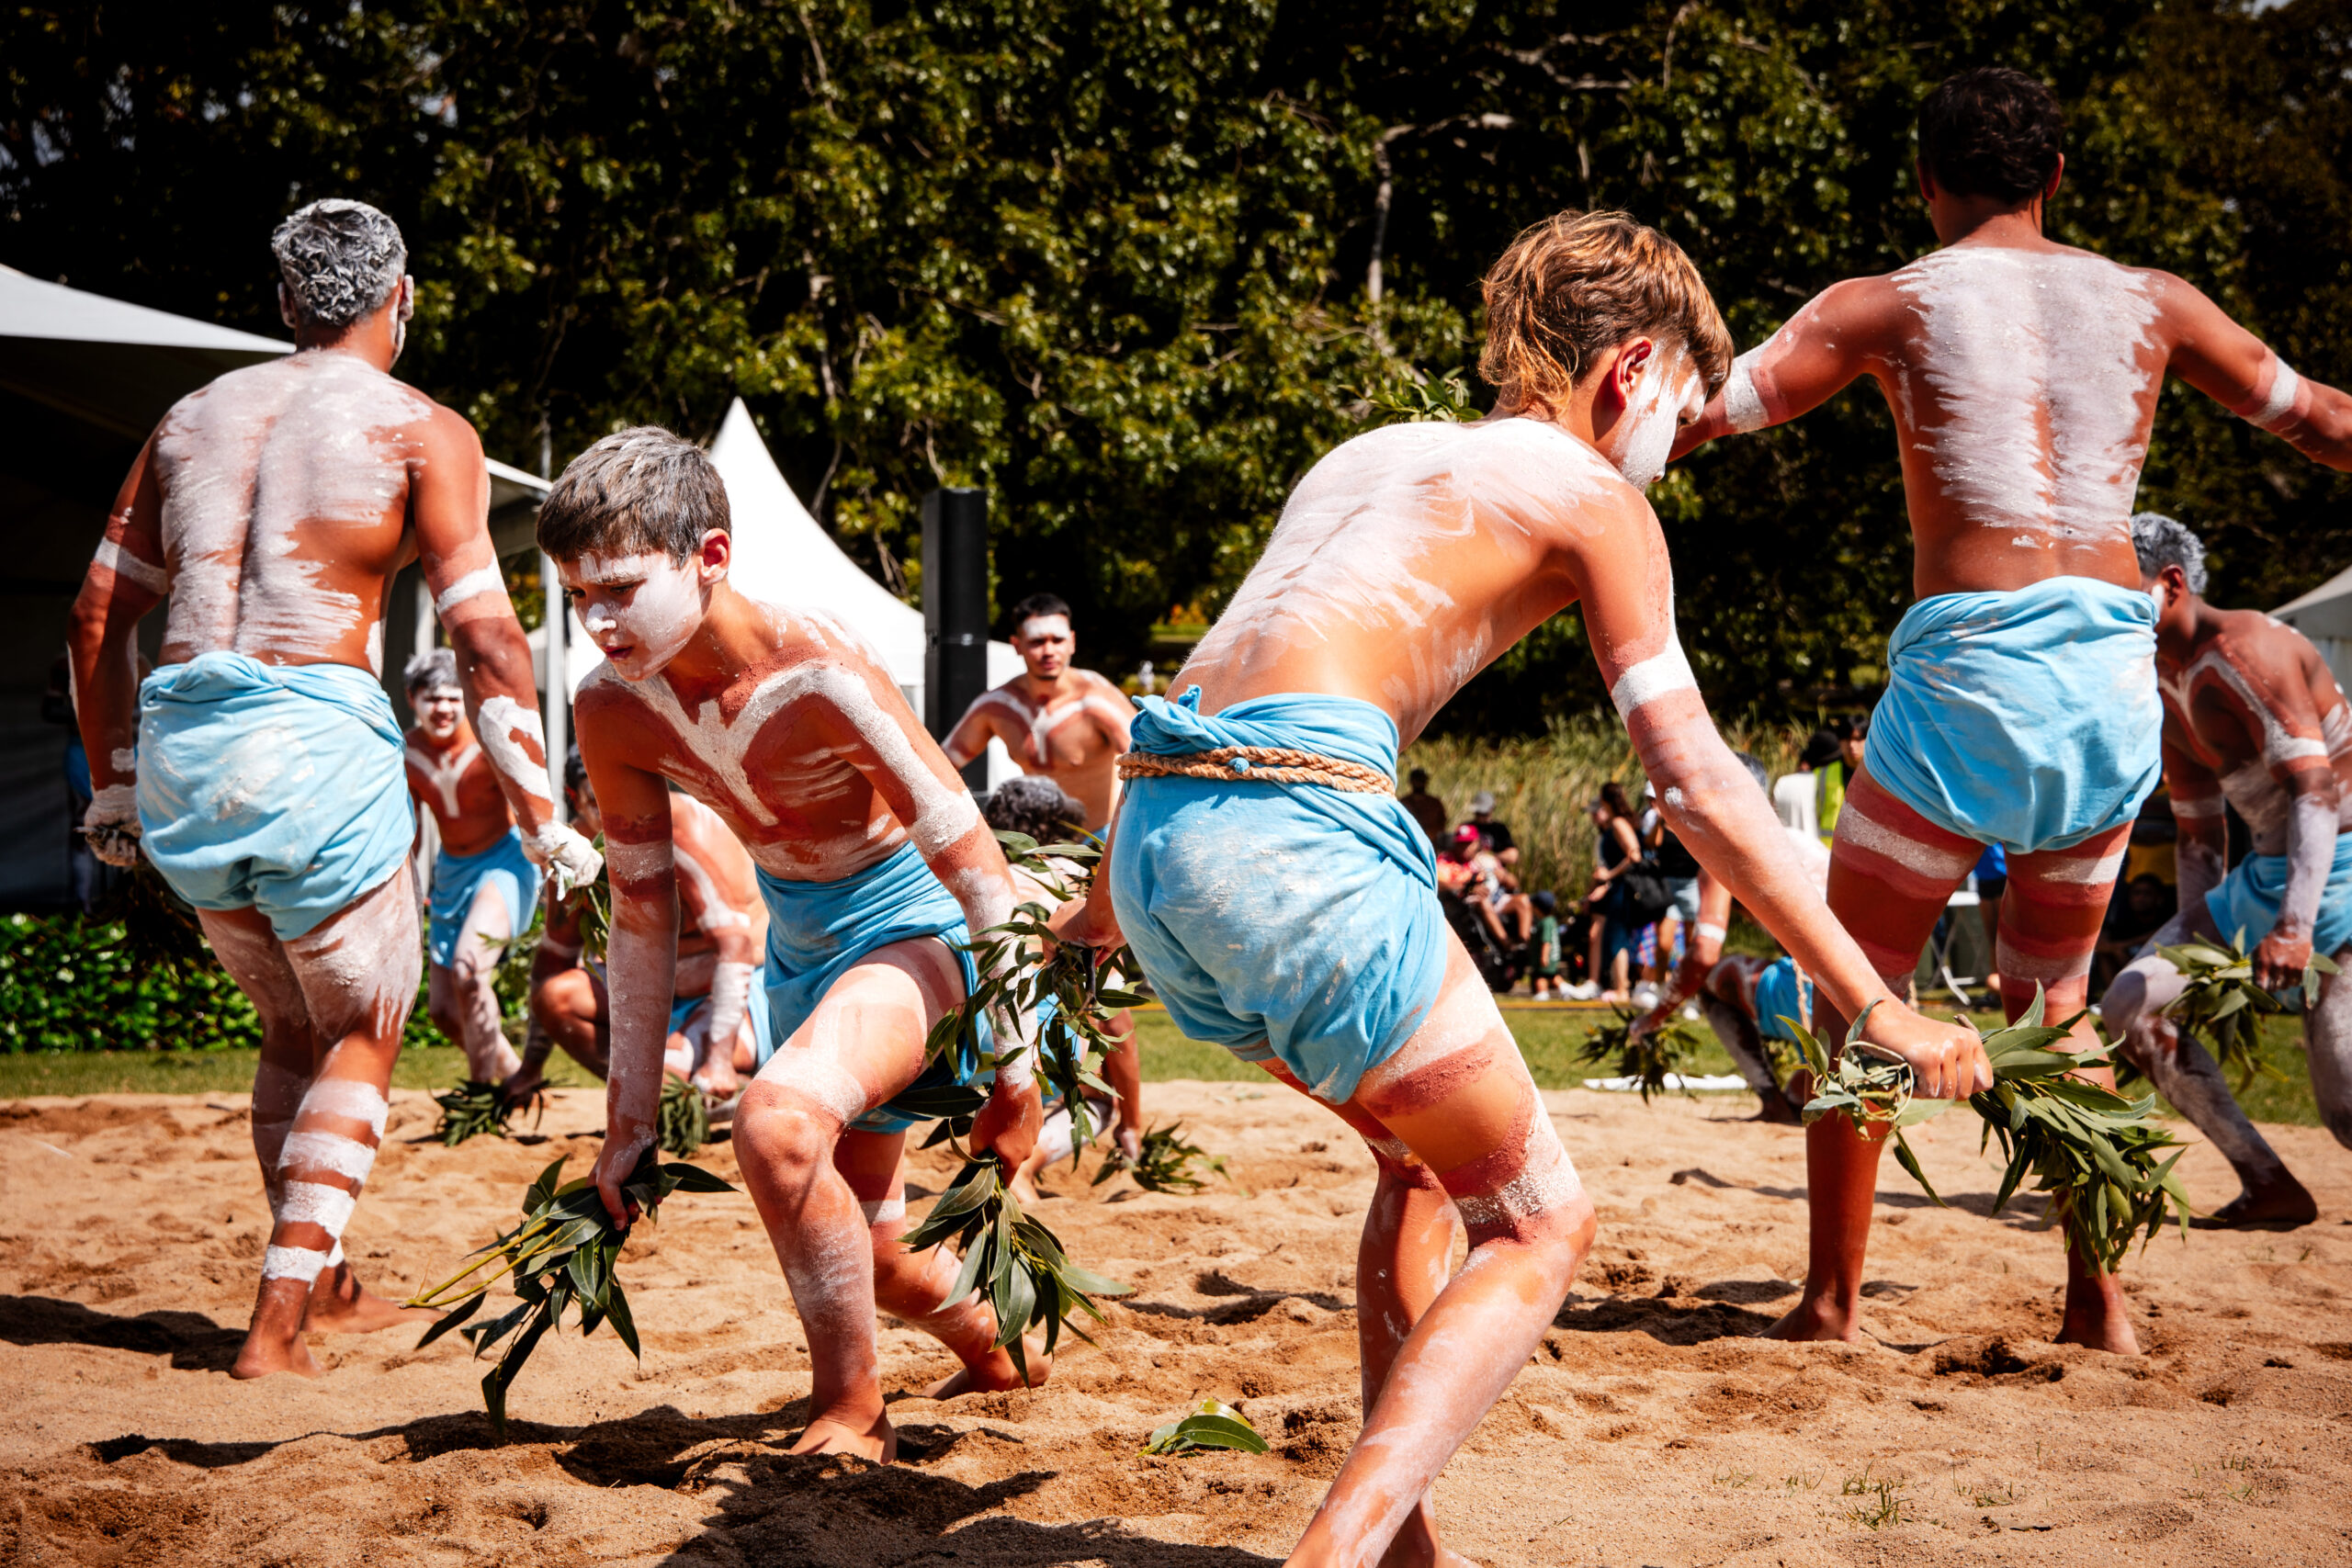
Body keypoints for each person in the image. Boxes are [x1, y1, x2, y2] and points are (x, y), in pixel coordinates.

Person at [1046, 209, 1988, 1568]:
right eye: (1680, 412)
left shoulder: (1364, 454)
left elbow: (1225, 686)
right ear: (1636, 369)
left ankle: (1408, 1546)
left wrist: (1096, 910)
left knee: (1418, 1159)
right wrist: (1871, 1001)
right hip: (1301, 847)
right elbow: (1700, 783)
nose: (1672, 451)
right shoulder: (1593, 495)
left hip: (1163, 845)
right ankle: (1341, 1553)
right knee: (1544, 1221)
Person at [1671, 68, 2352, 1351]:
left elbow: (1713, 409)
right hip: (2103, 694)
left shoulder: (1892, 302)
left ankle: (1829, 1303)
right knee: (2052, 1004)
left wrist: (1545, 442)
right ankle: (2098, 1298)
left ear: (1928, 184)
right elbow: (2318, 418)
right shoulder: (2155, 303)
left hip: (1972, 686)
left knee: (1858, 994)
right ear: (2056, 182)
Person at [65, 199, 599, 1380]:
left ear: (282, 303)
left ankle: (331, 1280)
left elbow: (99, 616)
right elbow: (491, 647)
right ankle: (277, 1322)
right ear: (399, 299)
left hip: (183, 760)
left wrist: (110, 791)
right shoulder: (420, 428)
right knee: (363, 1024)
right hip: (311, 742)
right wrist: (544, 819)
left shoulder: (190, 418)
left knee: (290, 1025)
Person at [542, 426, 1045, 1461]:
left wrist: (1017, 1064)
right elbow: (642, 913)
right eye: (575, 595)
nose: (596, 621)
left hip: (918, 933)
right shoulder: (609, 707)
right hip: (804, 952)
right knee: (876, 1252)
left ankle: (853, 1409)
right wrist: (627, 1121)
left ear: (709, 557)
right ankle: (998, 1345)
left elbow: (978, 866)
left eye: (621, 588)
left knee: (772, 1126)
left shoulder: (815, 668)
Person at [2100, 514, 2352, 1228]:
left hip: (2342, 863)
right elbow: (2198, 829)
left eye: (2117, 592)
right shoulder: (2165, 678)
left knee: (2347, 1108)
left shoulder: (2249, 649)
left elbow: (2316, 791)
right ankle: (2267, 1180)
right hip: (2267, 869)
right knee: (2130, 1004)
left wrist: (2295, 928)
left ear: (2170, 583)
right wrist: (2202, 959)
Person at [508, 750, 771, 1102]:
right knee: (558, 996)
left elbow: (735, 947)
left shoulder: (682, 832)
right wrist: (529, 1069)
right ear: (575, 799)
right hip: (653, 993)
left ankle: (711, 1084)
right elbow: (554, 959)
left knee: (673, 1068)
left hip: (739, 994)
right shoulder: (575, 854)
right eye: (598, 799)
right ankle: (647, 1098)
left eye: (623, 793)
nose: (616, 811)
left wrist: (720, 1060)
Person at [1635, 751, 1830, 1122]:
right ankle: (1801, 1082)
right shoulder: (1803, 844)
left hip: (1814, 994)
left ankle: (1771, 1099)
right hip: (1863, 992)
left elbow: (1702, 956)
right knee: (1806, 1097)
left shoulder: (1727, 851)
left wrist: (1654, 1016)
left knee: (1709, 979)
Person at [979, 775, 1146, 1204]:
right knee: (1099, 1100)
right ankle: (1025, 1166)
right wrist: (1132, 1122)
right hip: (1031, 1028)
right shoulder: (1075, 883)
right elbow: (1113, 1017)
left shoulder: (984, 880)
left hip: (971, 1029)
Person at [402, 648, 539, 1087]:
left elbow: (532, 799)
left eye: (451, 697)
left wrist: (550, 852)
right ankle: (518, 1078)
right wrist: (408, 890)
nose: (442, 708)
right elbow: (413, 833)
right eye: (431, 698)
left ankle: (481, 1091)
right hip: (452, 871)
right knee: (442, 1011)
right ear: (413, 700)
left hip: (505, 861)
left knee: (468, 969)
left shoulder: (487, 742)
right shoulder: (406, 752)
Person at [944, 592, 1133, 830]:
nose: (1048, 651)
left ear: (1072, 642)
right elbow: (940, 767)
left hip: (1101, 840)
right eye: (1037, 641)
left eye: (1058, 640)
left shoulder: (1096, 700)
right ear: (1017, 645)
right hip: (1034, 845)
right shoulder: (997, 707)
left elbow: (1148, 765)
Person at [1584, 782, 1647, 1002]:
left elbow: (1634, 855)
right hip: (1617, 888)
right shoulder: (1616, 823)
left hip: (1623, 888)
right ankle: (1619, 985)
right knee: (1615, 935)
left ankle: (1621, 989)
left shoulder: (1619, 823)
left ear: (1604, 800)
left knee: (1618, 936)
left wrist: (1609, 875)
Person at [1527, 889, 1568, 999]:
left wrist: (1544, 956)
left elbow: (1546, 941)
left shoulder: (1545, 923)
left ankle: (1542, 993)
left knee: (1540, 975)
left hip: (1546, 957)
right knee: (1552, 976)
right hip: (1553, 956)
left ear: (1537, 908)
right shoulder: (1552, 921)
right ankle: (1565, 989)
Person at [1399, 767, 1448, 848]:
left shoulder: (1435, 803)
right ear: (1411, 782)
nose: (1419, 783)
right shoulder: (1404, 802)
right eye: (1417, 780)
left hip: (1430, 846)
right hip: (1408, 845)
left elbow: (1441, 826)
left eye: (1421, 780)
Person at [1466, 790, 1514, 854]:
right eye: (1478, 813)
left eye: (1484, 813)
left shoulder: (1500, 829)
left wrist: (1491, 858)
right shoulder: (1466, 827)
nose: (1481, 816)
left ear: (1492, 809)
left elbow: (1512, 855)